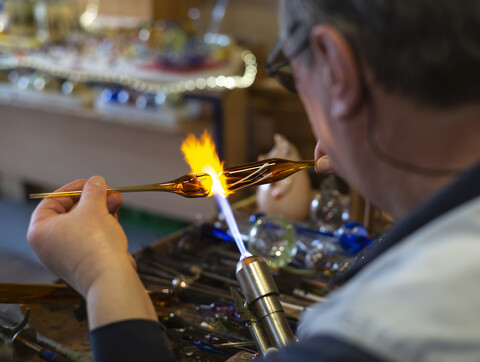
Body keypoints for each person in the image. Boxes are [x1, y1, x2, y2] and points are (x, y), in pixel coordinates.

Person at [27, 0, 480, 361]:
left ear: (335, 68)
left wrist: (103, 275)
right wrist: (386, 172)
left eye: (288, 71)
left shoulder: (376, 335)